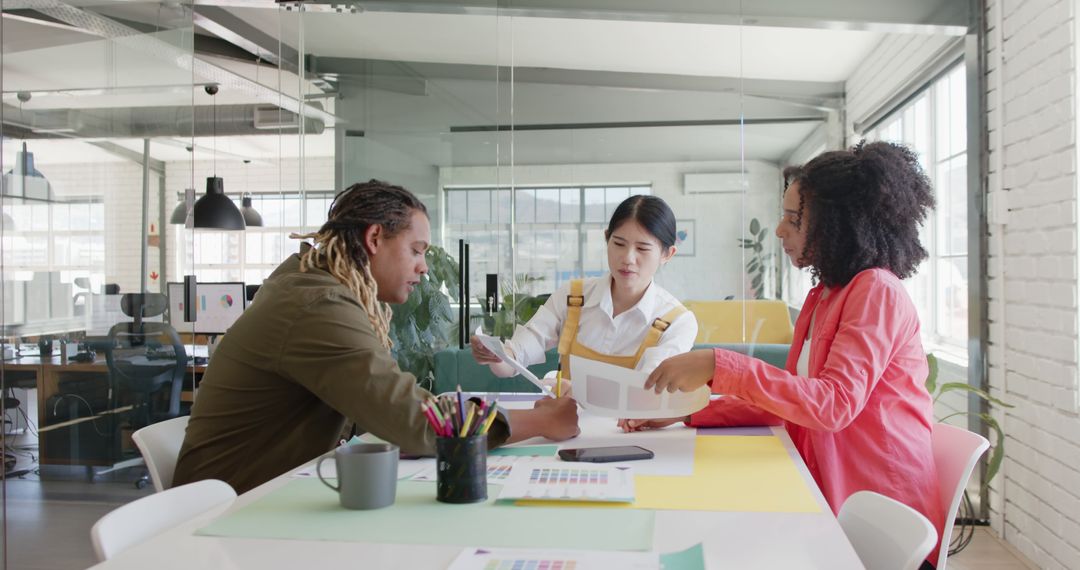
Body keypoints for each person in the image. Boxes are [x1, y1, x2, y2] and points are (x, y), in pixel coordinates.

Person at [636, 141, 945, 567]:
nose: (780, 230)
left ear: (837, 224)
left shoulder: (876, 291)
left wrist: (717, 364)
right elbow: (792, 403)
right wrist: (689, 413)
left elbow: (831, 405)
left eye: (793, 219)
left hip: (875, 520)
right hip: (831, 494)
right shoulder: (826, 295)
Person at [173, 180, 579, 494]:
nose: (423, 267)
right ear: (373, 240)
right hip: (235, 508)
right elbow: (413, 420)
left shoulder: (316, 284)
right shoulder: (317, 304)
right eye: (417, 250)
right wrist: (541, 420)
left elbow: (392, 405)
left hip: (268, 488)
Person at [471, 194, 698, 395]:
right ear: (606, 238)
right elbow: (517, 356)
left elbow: (646, 392)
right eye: (618, 243)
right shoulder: (572, 297)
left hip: (632, 435)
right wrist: (497, 356)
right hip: (565, 429)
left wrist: (580, 393)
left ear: (668, 254)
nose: (628, 258)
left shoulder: (678, 321)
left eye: (642, 248)